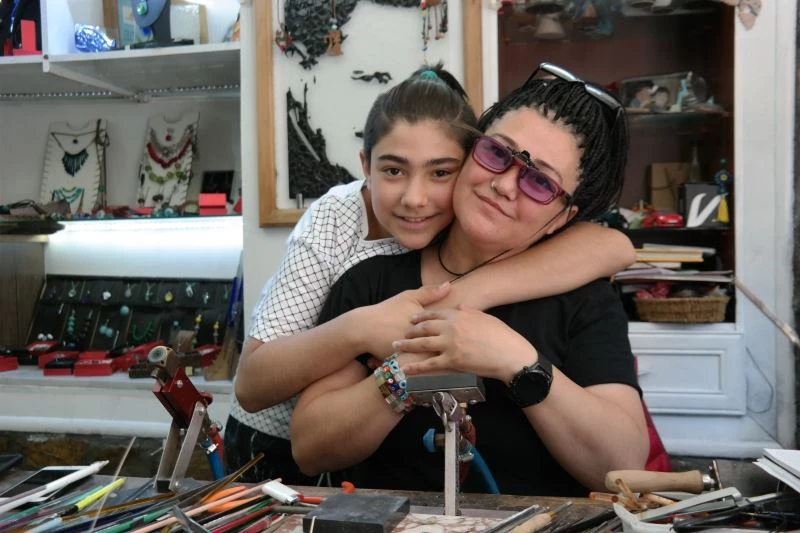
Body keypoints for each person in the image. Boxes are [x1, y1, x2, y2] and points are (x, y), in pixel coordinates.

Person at [225, 64, 636, 484]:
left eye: (540, 182)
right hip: (269, 453)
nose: (505, 185)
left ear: (562, 218)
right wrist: (405, 371)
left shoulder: (583, 296)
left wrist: (516, 360)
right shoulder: (367, 269)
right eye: (498, 154)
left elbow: (623, 465)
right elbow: (308, 444)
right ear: (472, 153)